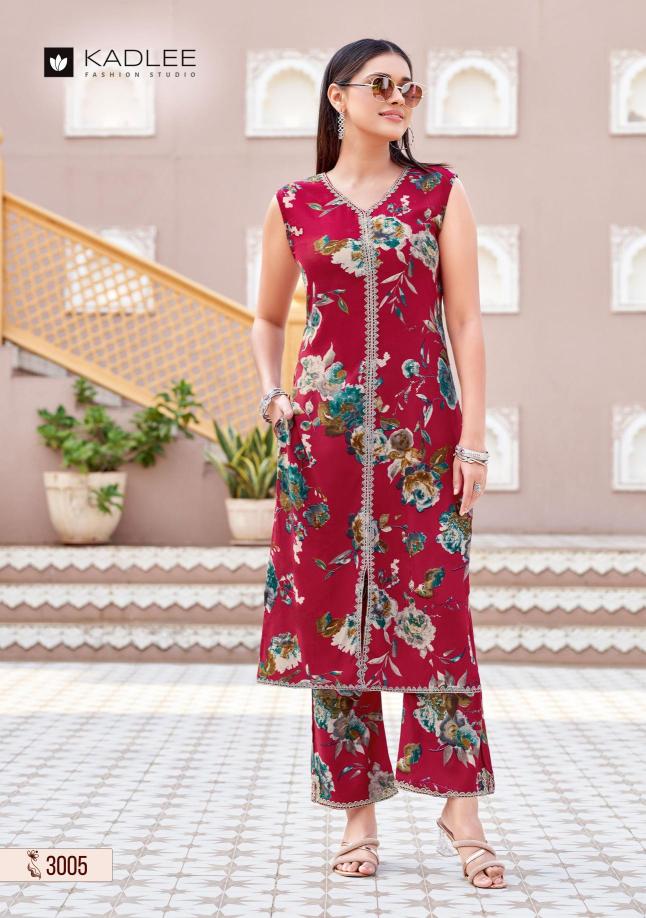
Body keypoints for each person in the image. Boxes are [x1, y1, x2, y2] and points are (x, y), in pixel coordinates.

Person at [250, 37, 506, 889]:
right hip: (324, 446)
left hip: (424, 441)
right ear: (338, 96)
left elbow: (466, 322)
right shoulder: (294, 204)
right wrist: (273, 394)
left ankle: (460, 807)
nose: (399, 98)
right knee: (337, 622)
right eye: (382, 84)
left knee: (440, 610)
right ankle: (356, 815)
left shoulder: (440, 192)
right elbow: (267, 317)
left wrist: (473, 438)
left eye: (410, 87)